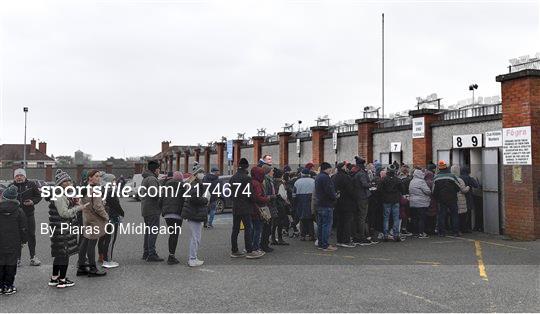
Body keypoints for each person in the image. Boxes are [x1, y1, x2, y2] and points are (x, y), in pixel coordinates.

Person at [48, 169, 89, 288]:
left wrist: (75, 203)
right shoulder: (60, 196)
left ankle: (54, 278)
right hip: (62, 230)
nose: (68, 183)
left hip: (60, 229)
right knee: (64, 255)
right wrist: (78, 208)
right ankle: (62, 280)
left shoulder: (63, 194)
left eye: (68, 181)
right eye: (64, 182)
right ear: (60, 184)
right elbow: (64, 213)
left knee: (59, 254)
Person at [76, 169, 108, 277]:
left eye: (99, 176)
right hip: (94, 220)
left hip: (87, 218)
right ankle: (92, 268)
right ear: (90, 178)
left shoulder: (85, 189)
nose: (99, 178)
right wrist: (106, 216)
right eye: (96, 176)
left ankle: (81, 267)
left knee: (85, 242)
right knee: (91, 243)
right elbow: (98, 207)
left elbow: (81, 202)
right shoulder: (95, 190)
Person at [230, 158, 263, 259]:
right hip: (245, 207)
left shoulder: (232, 178)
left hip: (235, 207)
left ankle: (234, 250)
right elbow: (250, 194)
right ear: (246, 167)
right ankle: (249, 251)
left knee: (235, 229)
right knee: (248, 229)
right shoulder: (247, 178)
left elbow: (231, 194)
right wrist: (255, 201)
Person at [10, 168, 42, 266]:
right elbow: (6, 199)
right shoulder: (11, 186)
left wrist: (33, 201)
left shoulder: (32, 185)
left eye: (21, 176)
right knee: (17, 237)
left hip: (29, 215)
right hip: (16, 217)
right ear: (14, 177)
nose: (19, 177)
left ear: (25, 176)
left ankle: (33, 257)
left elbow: (39, 196)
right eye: (17, 176)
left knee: (31, 236)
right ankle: (17, 259)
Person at [0, 186, 27, 295]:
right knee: (11, 263)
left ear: (3, 197)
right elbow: (23, 228)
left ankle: (0, 286)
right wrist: (23, 240)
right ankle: (9, 285)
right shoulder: (19, 211)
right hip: (14, 242)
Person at [181, 165, 210, 267]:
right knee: (195, 238)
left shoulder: (194, 183)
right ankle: (192, 259)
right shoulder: (195, 184)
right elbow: (194, 199)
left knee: (196, 237)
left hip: (194, 213)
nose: (203, 174)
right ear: (197, 174)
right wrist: (205, 199)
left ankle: (193, 257)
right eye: (201, 172)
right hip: (194, 213)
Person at [98, 174, 125, 269]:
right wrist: (122, 213)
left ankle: (105, 258)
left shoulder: (103, 190)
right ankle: (107, 260)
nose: (115, 182)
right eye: (113, 180)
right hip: (112, 218)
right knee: (110, 240)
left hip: (105, 218)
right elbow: (116, 205)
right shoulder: (110, 191)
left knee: (106, 239)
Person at [160, 171, 185, 265]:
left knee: (171, 234)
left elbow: (161, 199)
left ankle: (171, 255)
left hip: (167, 214)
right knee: (175, 235)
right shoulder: (182, 187)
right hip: (177, 214)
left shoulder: (166, 186)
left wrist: (162, 210)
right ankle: (171, 256)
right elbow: (184, 200)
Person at [141, 160, 164, 262]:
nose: (160, 171)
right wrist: (162, 193)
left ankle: (146, 253)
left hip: (146, 209)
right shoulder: (152, 179)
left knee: (148, 231)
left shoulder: (146, 178)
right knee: (153, 231)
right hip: (152, 209)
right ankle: (151, 254)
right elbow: (154, 193)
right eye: (159, 169)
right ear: (155, 170)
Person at [433, 160, 461, 237]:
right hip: (452, 199)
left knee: (442, 215)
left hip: (441, 200)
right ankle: (455, 231)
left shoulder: (436, 177)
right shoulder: (452, 176)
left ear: (439, 168)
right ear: (446, 167)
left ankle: (441, 232)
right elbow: (458, 187)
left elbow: (434, 191)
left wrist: (437, 198)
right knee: (454, 215)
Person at [378, 164, 405, 242]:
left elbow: (379, 190)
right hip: (395, 200)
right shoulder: (398, 180)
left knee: (386, 217)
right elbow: (402, 190)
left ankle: (385, 234)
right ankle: (396, 235)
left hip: (386, 200)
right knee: (396, 218)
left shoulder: (383, 179)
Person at [314, 162, 337, 251]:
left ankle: (320, 243)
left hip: (319, 203)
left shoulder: (318, 177)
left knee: (321, 225)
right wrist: (335, 196)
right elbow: (330, 191)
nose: (331, 170)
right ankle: (325, 244)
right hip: (326, 204)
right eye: (330, 168)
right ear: (326, 168)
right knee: (327, 225)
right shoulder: (326, 178)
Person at [333, 161, 356, 248]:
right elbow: (351, 191)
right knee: (347, 222)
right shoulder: (346, 177)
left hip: (338, 203)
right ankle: (346, 241)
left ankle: (339, 240)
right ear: (343, 168)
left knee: (340, 222)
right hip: (347, 203)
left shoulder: (334, 177)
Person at [352, 156, 375, 246]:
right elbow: (365, 184)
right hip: (363, 197)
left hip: (357, 196)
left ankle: (357, 235)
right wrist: (371, 184)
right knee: (362, 217)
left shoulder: (356, 173)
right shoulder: (361, 173)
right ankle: (362, 236)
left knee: (359, 217)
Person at [250, 166, 271, 254]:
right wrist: (267, 198)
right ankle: (255, 247)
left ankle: (250, 246)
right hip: (258, 209)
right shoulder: (257, 184)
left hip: (251, 208)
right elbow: (258, 197)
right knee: (258, 229)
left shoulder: (251, 182)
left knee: (252, 229)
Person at [293, 168, 316, 241]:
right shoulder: (313, 181)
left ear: (302, 174)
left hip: (300, 200)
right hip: (310, 200)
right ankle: (311, 236)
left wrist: (294, 203)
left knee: (302, 219)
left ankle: (302, 236)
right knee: (310, 219)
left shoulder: (297, 182)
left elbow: (293, 194)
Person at [408, 169, 431, 238]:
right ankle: (421, 233)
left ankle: (415, 232)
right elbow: (427, 191)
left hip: (412, 202)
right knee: (421, 218)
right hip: (421, 203)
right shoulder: (421, 182)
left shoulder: (411, 181)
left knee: (414, 218)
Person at [271, 168, 290, 245]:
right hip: (280, 204)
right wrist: (287, 201)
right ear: (281, 175)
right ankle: (280, 238)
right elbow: (283, 195)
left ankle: (272, 238)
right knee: (280, 222)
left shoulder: (272, 182)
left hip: (273, 204)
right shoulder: (281, 183)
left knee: (274, 223)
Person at [451, 165, 470, 234]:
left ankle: (454, 229)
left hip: (452, 199)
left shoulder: (449, 178)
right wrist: (468, 187)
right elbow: (463, 190)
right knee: (461, 216)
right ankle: (462, 229)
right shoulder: (459, 180)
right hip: (461, 200)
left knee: (453, 215)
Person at [261, 164, 276, 252]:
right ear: (268, 171)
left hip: (269, 205)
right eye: (271, 170)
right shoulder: (266, 180)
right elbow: (265, 194)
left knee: (267, 225)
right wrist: (272, 196)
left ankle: (264, 244)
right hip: (267, 206)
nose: (273, 172)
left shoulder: (269, 180)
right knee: (266, 226)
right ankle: (264, 245)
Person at [460, 166, 479, 233]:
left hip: (459, 198)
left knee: (460, 213)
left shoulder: (458, 177)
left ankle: (460, 228)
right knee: (467, 213)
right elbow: (476, 185)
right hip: (468, 197)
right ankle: (466, 228)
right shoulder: (469, 178)